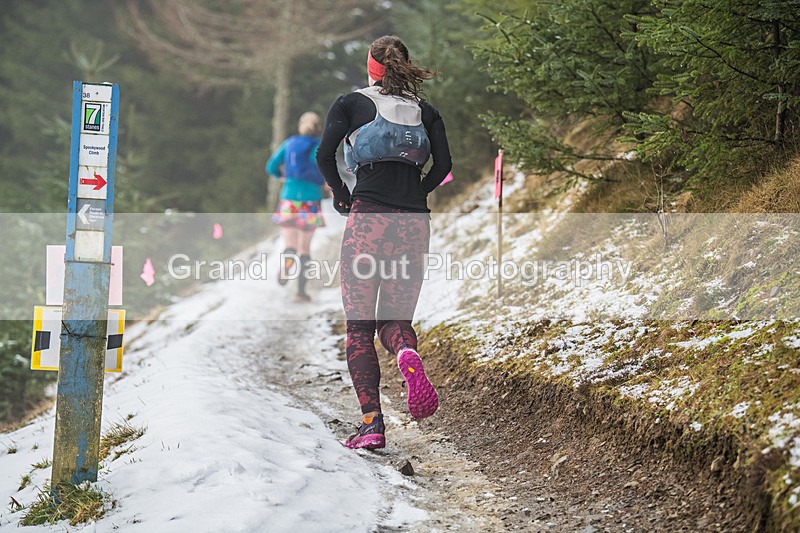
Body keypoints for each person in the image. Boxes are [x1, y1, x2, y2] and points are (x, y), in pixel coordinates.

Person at [317, 35, 452, 449]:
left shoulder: (351, 103)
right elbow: (444, 165)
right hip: (414, 224)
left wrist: (343, 194)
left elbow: (325, 155)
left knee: (359, 329)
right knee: (394, 322)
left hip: (368, 221)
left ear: (372, 68)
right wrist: (419, 193)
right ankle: (406, 354)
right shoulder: (426, 112)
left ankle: (372, 424)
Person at [266, 112, 327, 302]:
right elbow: (325, 170)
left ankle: (286, 265)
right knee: (305, 249)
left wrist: (282, 176)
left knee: (290, 245)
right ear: (318, 128)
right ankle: (301, 292)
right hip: (310, 201)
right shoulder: (319, 146)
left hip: (289, 199)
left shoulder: (289, 143)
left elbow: (271, 166)